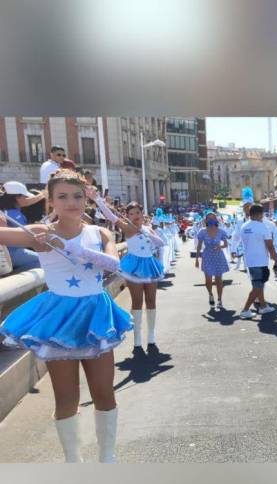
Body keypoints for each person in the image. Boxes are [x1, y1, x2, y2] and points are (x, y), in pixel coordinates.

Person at [0, 170, 132, 462]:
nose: (71, 202)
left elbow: (113, 263)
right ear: (51, 201)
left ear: (86, 198)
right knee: (66, 397)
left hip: (95, 316)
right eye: (62, 196)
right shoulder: (39, 232)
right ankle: (73, 461)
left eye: (77, 196)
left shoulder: (100, 232)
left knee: (103, 392)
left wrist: (67, 246)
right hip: (59, 319)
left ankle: (107, 458)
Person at [96, 196, 166, 354]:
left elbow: (161, 243)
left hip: (150, 265)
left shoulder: (148, 228)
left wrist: (148, 234)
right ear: (127, 216)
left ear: (142, 214)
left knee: (151, 300)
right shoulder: (128, 228)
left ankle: (151, 337)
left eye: (138, 212)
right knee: (137, 301)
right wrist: (98, 200)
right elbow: (111, 216)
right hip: (134, 266)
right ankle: (137, 339)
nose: (135, 216)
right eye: (132, 213)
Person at [238, 204, 277, 319]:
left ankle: (263, 306)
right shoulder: (262, 227)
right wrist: (276, 261)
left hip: (249, 261)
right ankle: (245, 310)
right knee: (257, 287)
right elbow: (270, 246)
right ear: (260, 214)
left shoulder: (244, 226)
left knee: (259, 285)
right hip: (260, 261)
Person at [0, 181, 48, 270]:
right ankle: (12, 276)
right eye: (25, 196)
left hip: (15, 250)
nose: (27, 198)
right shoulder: (11, 213)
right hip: (12, 252)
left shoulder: (10, 210)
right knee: (43, 261)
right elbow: (26, 234)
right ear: (17, 197)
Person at [195, 212, 230, 311]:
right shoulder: (202, 231)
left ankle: (219, 299)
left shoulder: (221, 231)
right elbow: (199, 246)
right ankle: (210, 294)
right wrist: (197, 259)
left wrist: (220, 246)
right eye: (209, 218)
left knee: (219, 280)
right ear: (206, 220)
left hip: (218, 256)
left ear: (216, 220)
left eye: (213, 218)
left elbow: (226, 244)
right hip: (207, 256)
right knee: (208, 280)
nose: (211, 220)